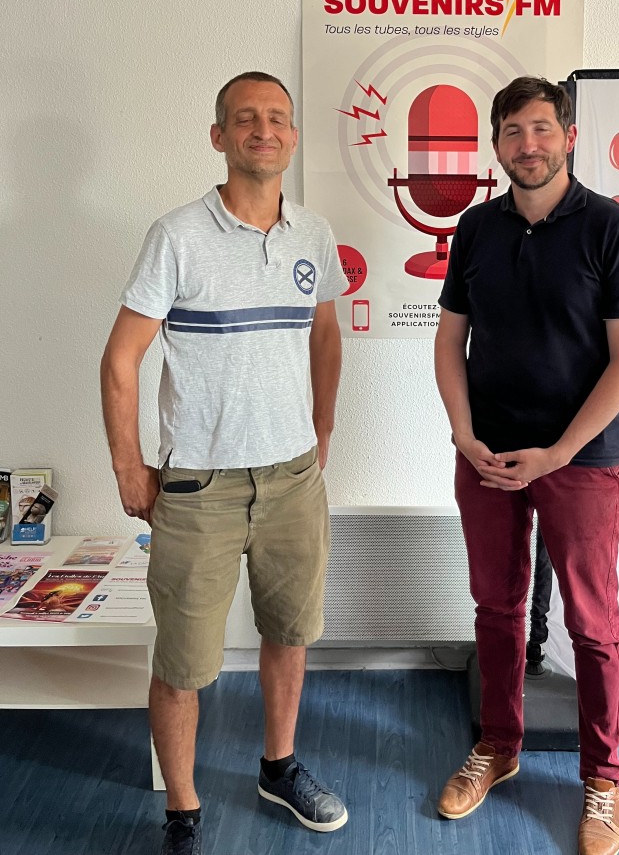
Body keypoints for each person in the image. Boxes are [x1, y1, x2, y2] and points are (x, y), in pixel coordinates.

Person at [101, 72, 348, 855]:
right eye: (245, 118)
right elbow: (120, 359)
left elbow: (325, 333)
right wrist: (129, 465)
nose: (262, 129)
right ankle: (183, 811)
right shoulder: (176, 235)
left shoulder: (313, 234)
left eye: (277, 118)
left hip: (292, 481)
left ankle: (279, 766)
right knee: (183, 664)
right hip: (198, 489)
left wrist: (322, 428)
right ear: (219, 136)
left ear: (293, 137)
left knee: (289, 633)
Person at [433, 76, 619, 855]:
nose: (525, 144)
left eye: (539, 128)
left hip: (582, 459)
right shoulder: (475, 226)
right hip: (487, 453)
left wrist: (557, 452)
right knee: (496, 609)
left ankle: (602, 778)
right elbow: (449, 339)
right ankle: (498, 744)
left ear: (567, 136)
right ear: (495, 144)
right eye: (511, 131)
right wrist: (463, 434)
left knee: (592, 625)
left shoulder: (610, 226)